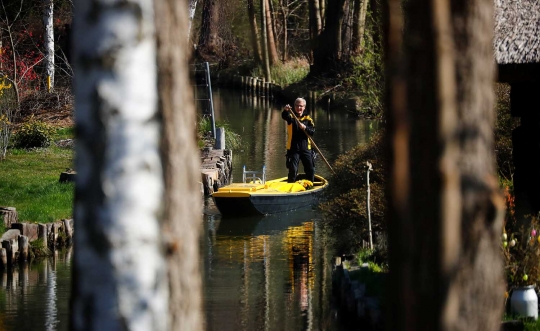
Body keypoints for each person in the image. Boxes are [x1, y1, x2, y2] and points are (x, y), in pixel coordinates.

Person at [281, 97, 315, 183]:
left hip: (306, 148)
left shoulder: (308, 119)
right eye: (297, 106)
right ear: (294, 106)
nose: (299, 108)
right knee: (292, 170)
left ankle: (310, 185)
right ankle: (290, 187)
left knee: (310, 169)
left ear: (304, 107)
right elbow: (284, 116)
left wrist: (305, 127)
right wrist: (285, 110)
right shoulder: (291, 117)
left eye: (301, 106)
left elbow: (312, 131)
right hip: (293, 148)